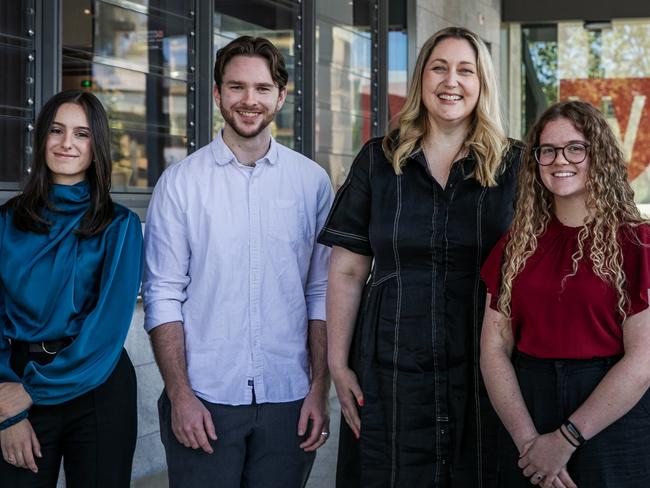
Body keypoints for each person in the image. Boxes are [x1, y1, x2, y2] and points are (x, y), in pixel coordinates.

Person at [318, 26, 523, 487]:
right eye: (439, 68)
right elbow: (348, 270)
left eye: (465, 71)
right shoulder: (378, 160)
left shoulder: (516, 166)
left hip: (486, 365)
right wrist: (337, 363)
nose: (451, 81)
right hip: (391, 366)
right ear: (420, 79)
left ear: (481, 83)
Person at [143, 36, 334, 488]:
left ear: (281, 96)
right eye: (236, 87)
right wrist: (180, 395)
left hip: (289, 399)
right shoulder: (180, 184)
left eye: (262, 88)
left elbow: (322, 292)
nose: (249, 100)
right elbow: (162, 294)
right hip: (205, 401)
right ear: (217, 94)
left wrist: (319, 391)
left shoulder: (313, 184)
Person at [480, 100, 650, 487]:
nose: (561, 159)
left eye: (576, 148)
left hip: (613, 420)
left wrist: (566, 439)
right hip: (528, 412)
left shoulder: (637, 243)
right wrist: (530, 444)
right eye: (548, 150)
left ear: (599, 156)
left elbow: (643, 361)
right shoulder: (515, 246)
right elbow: (493, 349)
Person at [0, 90, 143, 486]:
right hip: (15, 381)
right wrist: (7, 405)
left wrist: (30, 391)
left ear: (96, 147)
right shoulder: (5, 222)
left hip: (98, 387)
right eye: (57, 130)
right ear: (41, 138)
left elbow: (106, 331)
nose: (67, 143)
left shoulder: (120, 226)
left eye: (81, 134)